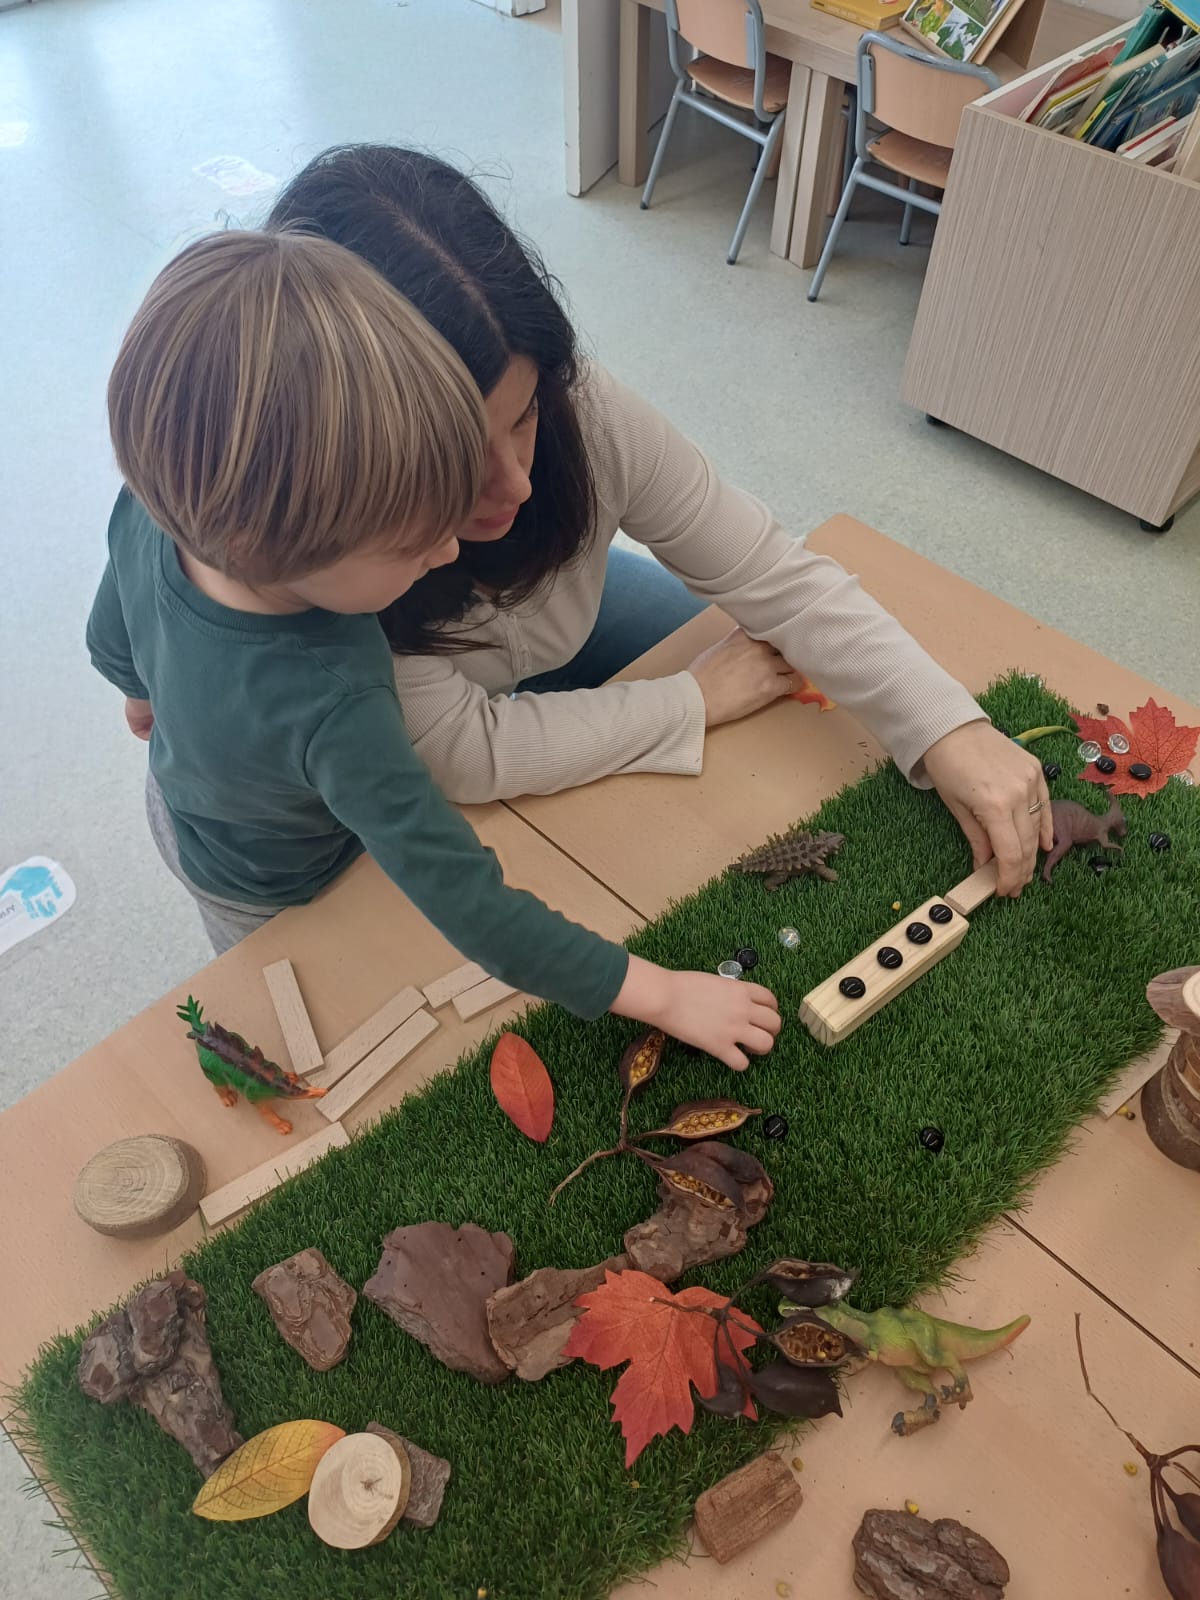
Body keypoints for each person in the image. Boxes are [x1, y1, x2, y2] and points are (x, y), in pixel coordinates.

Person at [266, 146, 1053, 895]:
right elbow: (466, 755)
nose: (514, 485)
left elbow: (773, 576)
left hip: (548, 625)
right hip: (402, 737)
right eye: (458, 458)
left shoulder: (589, 413)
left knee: (756, 659)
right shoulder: (328, 565)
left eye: (524, 415)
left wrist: (946, 728)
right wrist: (692, 700)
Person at [86, 230, 779, 1070]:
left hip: (177, 791)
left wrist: (140, 689)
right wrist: (664, 995)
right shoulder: (337, 700)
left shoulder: (158, 508)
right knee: (292, 989)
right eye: (412, 543)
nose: (448, 552)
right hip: (266, 881)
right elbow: (471, 903)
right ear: (264, 548)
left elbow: (111, 621)